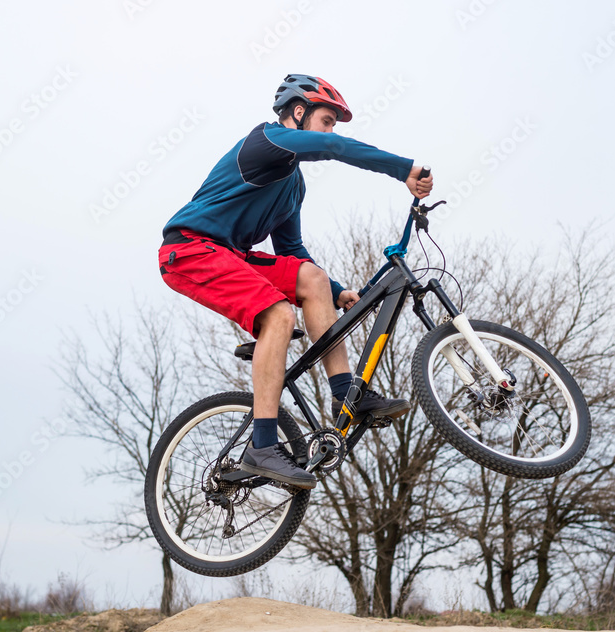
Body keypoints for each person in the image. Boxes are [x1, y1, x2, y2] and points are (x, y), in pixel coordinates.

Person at [158, 74, 433, 490]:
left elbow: (292, 251)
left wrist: (337, 290)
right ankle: (262, 446)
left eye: (333, 126)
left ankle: (347, 395)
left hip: (232, 256)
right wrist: (404, 169)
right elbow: (332, 147)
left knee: (312, 277)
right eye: (326, 120)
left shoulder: (292, 185)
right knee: (279, 315)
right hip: (191, 250)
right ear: (299, 113)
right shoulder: (266, 142)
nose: (329, 132)